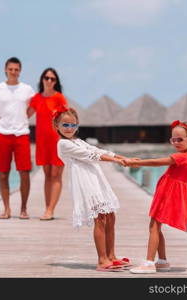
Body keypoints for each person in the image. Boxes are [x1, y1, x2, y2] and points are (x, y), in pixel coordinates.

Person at [54, 107, 134, 272]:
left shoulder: (79, 141)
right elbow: (91, 156)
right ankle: (102, 260)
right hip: (85, 182)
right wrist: (116, 162)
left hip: (96, 178)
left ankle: (112, 256)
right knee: (100, 218)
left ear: (77, 126)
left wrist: (123, 157)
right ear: (57, 126)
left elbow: (98, 150)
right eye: (65, 124)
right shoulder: (63, 144)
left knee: (110, 216)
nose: (69, 128)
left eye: (73, 125)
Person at [124, 120, 187, 274]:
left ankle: (149, 263)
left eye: (180, 139)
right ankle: (163, 261)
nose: (176, 143)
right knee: (156, 228)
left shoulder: (184, 156)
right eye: (173, 140)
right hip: (169, 191)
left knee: (153, 227)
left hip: (170, 192)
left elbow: (158, 162)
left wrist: (137, 163)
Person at [0, 57, 35, 219]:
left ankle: (23, 209)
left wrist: (24, 117)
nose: (13, 72)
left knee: (25, 172)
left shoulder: (27, 89)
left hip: (21, 135)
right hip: (2, 135)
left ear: (20, 71)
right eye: (11, 69)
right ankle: (6, 209)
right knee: (3, 173)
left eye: (16, 69)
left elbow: (34, 106)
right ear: (5, 70)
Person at [27, 68, 67, 220]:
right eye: (47, 78)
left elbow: (67, 119)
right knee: (47, 175)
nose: (49, 81)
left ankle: (50, 210)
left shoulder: (59, 98)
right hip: (42, 143)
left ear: (56, 82)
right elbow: (25, 115)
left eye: (52, 79)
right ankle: (47, 209)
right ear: (42, 79)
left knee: (56, 175)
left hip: (58, 142)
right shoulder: (36, 98)